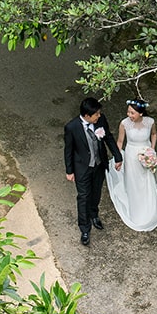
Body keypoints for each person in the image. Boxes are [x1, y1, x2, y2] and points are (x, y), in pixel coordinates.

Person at [64, 97, 122, 245]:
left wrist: (117, 156)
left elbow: (108, 137)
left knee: (96, 193)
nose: (99, 116)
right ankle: (84, 229)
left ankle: (94, 215)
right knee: (83, 197)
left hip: (98, 164)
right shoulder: (72, 127)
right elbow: (68, 150)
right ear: (87, 115)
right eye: (96, 114)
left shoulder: (100, 121)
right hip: (82, 168)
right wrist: (69, 171)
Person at [106, 99, 157, 232]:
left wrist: (151, 150)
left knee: (148, 181)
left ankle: (150, 210)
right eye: (128, 112)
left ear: (141, 113)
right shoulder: (124, 124)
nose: (129, 115)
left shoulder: (150, 122)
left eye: (132, 112)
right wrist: (118, 158)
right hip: (131, 156)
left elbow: (154, 134)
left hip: (146, 154)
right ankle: (136, 210)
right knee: (133, 183)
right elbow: (120, 141)